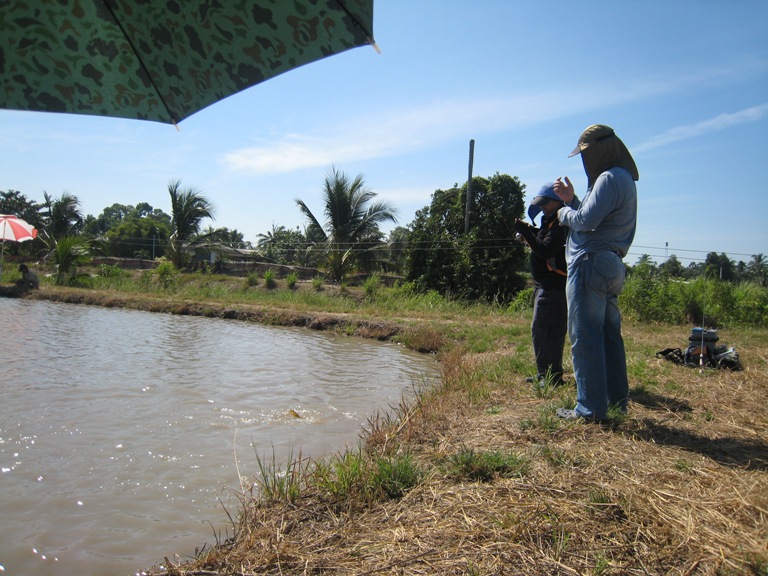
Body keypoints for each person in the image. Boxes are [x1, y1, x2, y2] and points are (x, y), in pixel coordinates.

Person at [552, 124, 639, 421]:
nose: (584, 160)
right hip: (610, 264)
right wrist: (572, 201)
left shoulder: (608, 177)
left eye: (586, 153)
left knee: (585, 336)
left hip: (590, 263)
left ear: (603, 149)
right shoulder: (622, 179)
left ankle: (588, 410)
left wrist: (564, 213)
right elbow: (594, 217)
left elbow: (586, 221)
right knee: (608, 336)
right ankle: (616, 402)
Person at [513, 182, 568, 387]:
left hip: (552, 287)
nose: (543, 208)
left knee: (546, 330)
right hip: (544, 286)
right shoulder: (549, 222)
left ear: (557, 201)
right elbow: (541, 240)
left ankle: (551, 377)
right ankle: (545, 374)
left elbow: (545, 249)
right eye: (541, 204)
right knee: (542, 330)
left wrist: (526, 232)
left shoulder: (561, 223)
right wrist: (527, 233)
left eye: (546, 204)